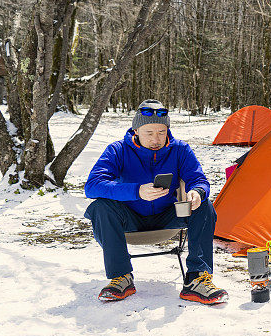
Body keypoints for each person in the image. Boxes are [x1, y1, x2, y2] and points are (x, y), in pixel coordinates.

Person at [84, 99, 228, 305]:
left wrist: (197, 192)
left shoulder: (180, 150)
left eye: (161, 132)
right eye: (149, 133)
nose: (156, 139)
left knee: (204, 205)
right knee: (99, 206)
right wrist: (136, 191)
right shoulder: (117, 150)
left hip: (168, 215)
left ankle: (197, 278)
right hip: (130, 218)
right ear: (136, 131)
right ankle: (121, 277)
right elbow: (93, 186)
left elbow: (199, 180)